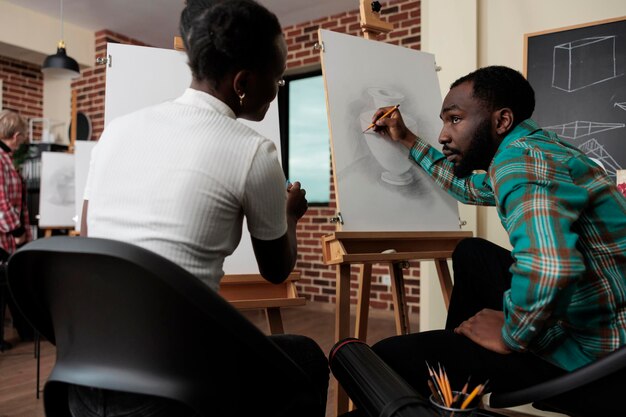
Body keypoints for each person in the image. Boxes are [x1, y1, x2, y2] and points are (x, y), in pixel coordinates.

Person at [74, 1, 328, 416]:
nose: (278, 90)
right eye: (278, 80)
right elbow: (276, 271)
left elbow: (90, 240)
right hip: (177, 385)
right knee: (306, 358)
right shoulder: (253, 150)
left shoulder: (117, 131)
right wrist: (290, 216)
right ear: (243, 82)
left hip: (85, 374)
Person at [365, 66, 626, 402]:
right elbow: (467, 188)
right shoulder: (540, 149)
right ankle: (458, 380)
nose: (444, 134)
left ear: (501, 121)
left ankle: (456, 379)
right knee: (471, 253)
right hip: (606, 319)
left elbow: (550, 267)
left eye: (455, 119)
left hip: (594, 355)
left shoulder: (519, 165)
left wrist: (510, 335)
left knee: (386, 358)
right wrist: (407, 139)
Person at [0, 109, 33, 347]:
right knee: (4, 287)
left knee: (8, 286)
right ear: (16, 135)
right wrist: (17, 232)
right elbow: (0, 201)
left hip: (7, 236)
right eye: (22, 138)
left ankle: (26, 331)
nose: (22, 143)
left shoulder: (5, 157)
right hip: (5, 236)